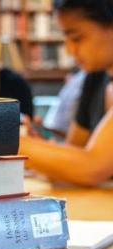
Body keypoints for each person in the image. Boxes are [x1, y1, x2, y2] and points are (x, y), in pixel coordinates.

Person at [20, 0, 113, 186]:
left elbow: (92, 167)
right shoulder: (95, 78)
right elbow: (75, 155)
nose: (70, 50)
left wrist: (7, 140)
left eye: (77, 38)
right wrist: (43, 148)